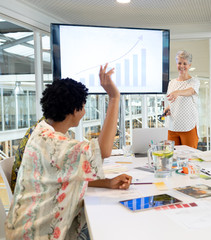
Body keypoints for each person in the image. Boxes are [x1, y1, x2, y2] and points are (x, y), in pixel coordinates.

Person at [6, 64, 132, 239]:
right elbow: (103, 150)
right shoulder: (54, 143)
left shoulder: (41, 131)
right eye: (83, 106)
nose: (84, 112)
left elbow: (63, 174)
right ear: (75, 110)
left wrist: (107, 183)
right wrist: (114, 98)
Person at [164, 50, 200, 148]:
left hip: (188, 126)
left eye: (185, 63)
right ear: (176, 64)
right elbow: (173, 102)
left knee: (190, 158)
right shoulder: (171, 83)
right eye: (179, 63)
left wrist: (177, 92)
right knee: (173, 158)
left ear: (189, 65)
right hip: (172, 127)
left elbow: (191, 91)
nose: (182, 66)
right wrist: (168, 108)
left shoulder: (194, 81)